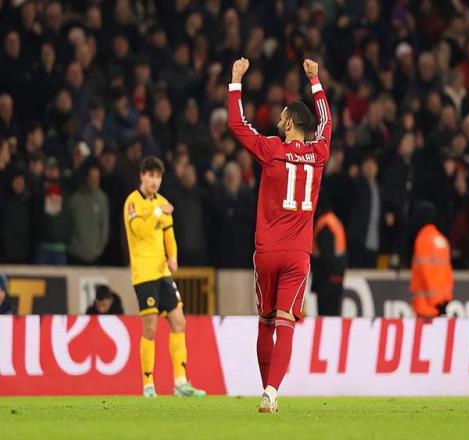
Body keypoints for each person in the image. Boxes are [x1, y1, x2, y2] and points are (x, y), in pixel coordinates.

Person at [228, 58, 331, 412]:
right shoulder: (319, 153)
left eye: (283, 114)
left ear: (290, 123)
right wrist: (315, 81)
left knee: (266, 322)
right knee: (287, 322)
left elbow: (237, 124)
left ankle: (266, 390)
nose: (279, 117)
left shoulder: (272, 150)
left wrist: (236, 81)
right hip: (298, 255)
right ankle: (271, 392)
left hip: (267, 252)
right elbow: (327, 123)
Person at [123, 156, 205, 398]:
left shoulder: (163, 202)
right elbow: (140, 230)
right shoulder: (133, 202)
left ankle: (180, 382)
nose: (154, 181)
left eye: (158, 176)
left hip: (163, 273)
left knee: (179, 322)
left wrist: (173, 257)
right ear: (142, 176)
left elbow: (169, 237)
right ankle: (148, 385)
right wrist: (158, 212)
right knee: (150, 328)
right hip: (144, 274)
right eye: (150, 175)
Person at [410, 201, 454, 318]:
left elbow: (427, 272)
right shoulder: (441, 239)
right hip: (441, 304)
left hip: (426, 306)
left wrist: (436, 302)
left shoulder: (423, 239)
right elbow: (448, 274)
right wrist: (445, 300)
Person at [312, 195, 347, 316]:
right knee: (334, 317)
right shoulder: (335, 221)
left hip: (327, 281)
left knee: (325, 317)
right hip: (337, 278)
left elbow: (326, 256)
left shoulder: (325, 225)